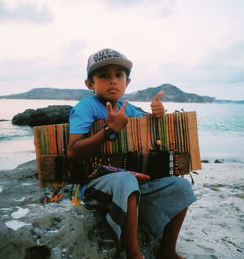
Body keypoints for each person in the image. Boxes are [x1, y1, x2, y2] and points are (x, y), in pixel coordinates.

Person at [66, 48, 197, 259]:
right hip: (94, 186)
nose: (113, 81)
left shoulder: (129, 108)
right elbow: (73, 151)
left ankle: (167, 251)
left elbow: (148, 125)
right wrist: (109, 130)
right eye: (104, 76)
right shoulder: (86, 107)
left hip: (131, 185)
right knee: (126, 180)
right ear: (90, 84)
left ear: (127, 82)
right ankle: (134, 254)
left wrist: (157, 114)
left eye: (119, 75)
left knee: (180, 186)